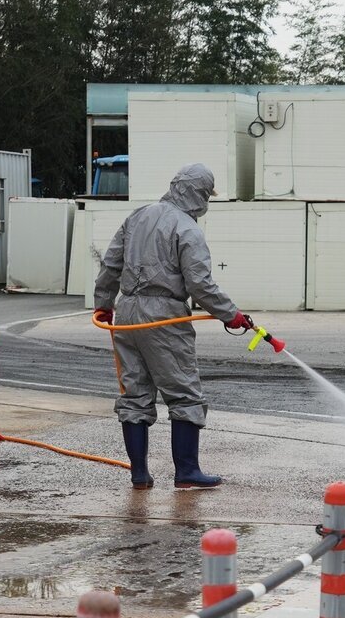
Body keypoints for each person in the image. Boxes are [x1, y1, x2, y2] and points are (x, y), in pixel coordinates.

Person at [93, 163, 251, 490]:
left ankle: (139, 474)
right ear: (200, 194)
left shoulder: (137, 216)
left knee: (135, 393)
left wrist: (104, 303)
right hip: (164, 315)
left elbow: (111, 264)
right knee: (183, 393)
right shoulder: (188, 229)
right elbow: (200, 285)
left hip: (127, 311)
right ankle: (187, 472)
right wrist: (230, 314)